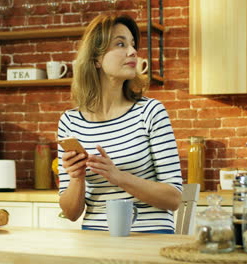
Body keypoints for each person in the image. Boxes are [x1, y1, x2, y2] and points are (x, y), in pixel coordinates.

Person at [57, 14, 183, 234]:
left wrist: (118, 176)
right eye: (120, 44)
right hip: (95, 240)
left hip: (150, 238)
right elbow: (71, 213)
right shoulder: (70, 121)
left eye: (133, 45)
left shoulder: (151, 112)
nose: (133, 52)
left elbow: (173, 199)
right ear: (96, 59)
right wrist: (77, 178)